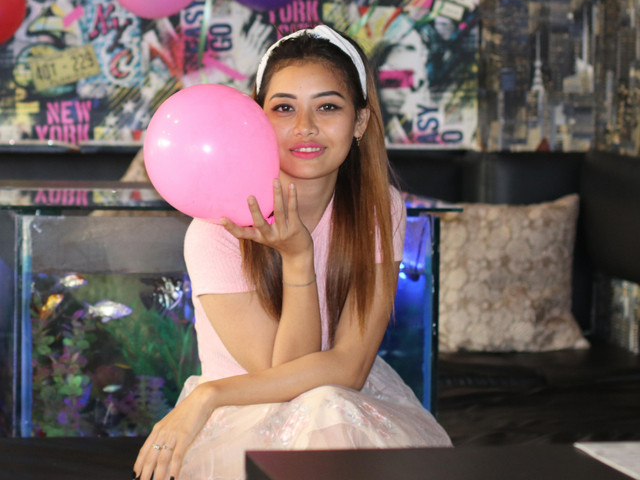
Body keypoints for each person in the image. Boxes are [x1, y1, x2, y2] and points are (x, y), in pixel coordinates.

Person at [133, 24, 451, 480]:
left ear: (360, 122)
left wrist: (209, 394)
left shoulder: (379, 209)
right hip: (246, 417)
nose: (305, 127)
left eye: (328, 106)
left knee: (331, 407)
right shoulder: (217, 231)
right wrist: (298, 259)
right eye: (284, 108)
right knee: (325, 410)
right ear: (256, 118)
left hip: (341, 403)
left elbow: (351, 367)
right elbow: (284, 382)